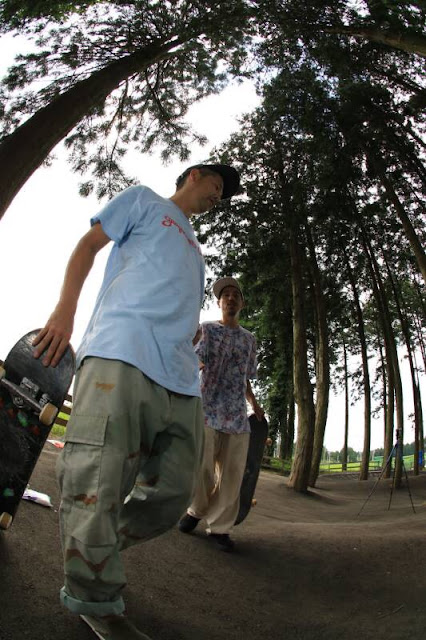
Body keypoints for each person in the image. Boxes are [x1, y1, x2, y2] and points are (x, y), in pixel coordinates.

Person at [32, 163, 240, 640]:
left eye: (223, 194)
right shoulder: (145, 200)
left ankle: (95, 544)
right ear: (194, 175)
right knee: (96, 481)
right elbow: (88, 246)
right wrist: (64, 309)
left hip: (180, 377)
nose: (219, 196)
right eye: (217, 185)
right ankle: (95, 596)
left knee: (174, 491)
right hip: (121, 350)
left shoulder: (196, 249)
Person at [178, 277, 264, 552]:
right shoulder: (207, 330)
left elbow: (245, 377)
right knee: (202, 467)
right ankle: (196, 510)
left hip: (236, 415)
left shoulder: (249, 340)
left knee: (232, 475)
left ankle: (220, 528)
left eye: (235, 295)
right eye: (225, 295)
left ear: (242, 304)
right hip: (208, 408)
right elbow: (196, 362)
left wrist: (254, 404)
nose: (230, 298)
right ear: (219, 303)